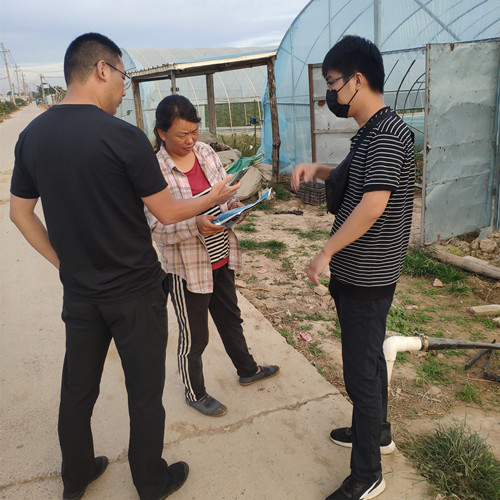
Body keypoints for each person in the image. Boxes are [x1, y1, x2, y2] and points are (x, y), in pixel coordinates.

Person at [10, 33, 240, 500]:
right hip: (135, 293)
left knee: (78, 390)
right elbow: (167, 212)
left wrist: (63, 263)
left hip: (81, 293)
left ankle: (76, 476)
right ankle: (150, 482)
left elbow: (20, 213)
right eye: (122, 76)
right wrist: (213, 196)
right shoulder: (122, 136)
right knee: (144, 392)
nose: (122, 88)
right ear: (102, 69)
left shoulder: (32, 136)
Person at [291, 35, 414, 500]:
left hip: (367, 276)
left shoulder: (387, 134)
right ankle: (376, 431)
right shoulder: (371, 132)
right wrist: (316, 169)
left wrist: (325, 251)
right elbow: (351, 178)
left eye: (332, 82)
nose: (330, 93)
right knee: (369, 361)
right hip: (358, 273)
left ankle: (367, 474)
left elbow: (372, 204)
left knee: (360, 374)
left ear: (357, 80)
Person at [145, 95, 279, 417]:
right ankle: (195, 392)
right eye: (182, 134)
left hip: (220, 255)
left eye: (194, 131)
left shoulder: (206, 153)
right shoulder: (154, 169)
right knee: (195, 335)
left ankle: (247, 369)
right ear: (162, 132)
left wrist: (236, 208)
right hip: (186, 269)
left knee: (231, 318)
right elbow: (157, 228)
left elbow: (224, 197)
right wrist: (195, 224)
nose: (191, 140)